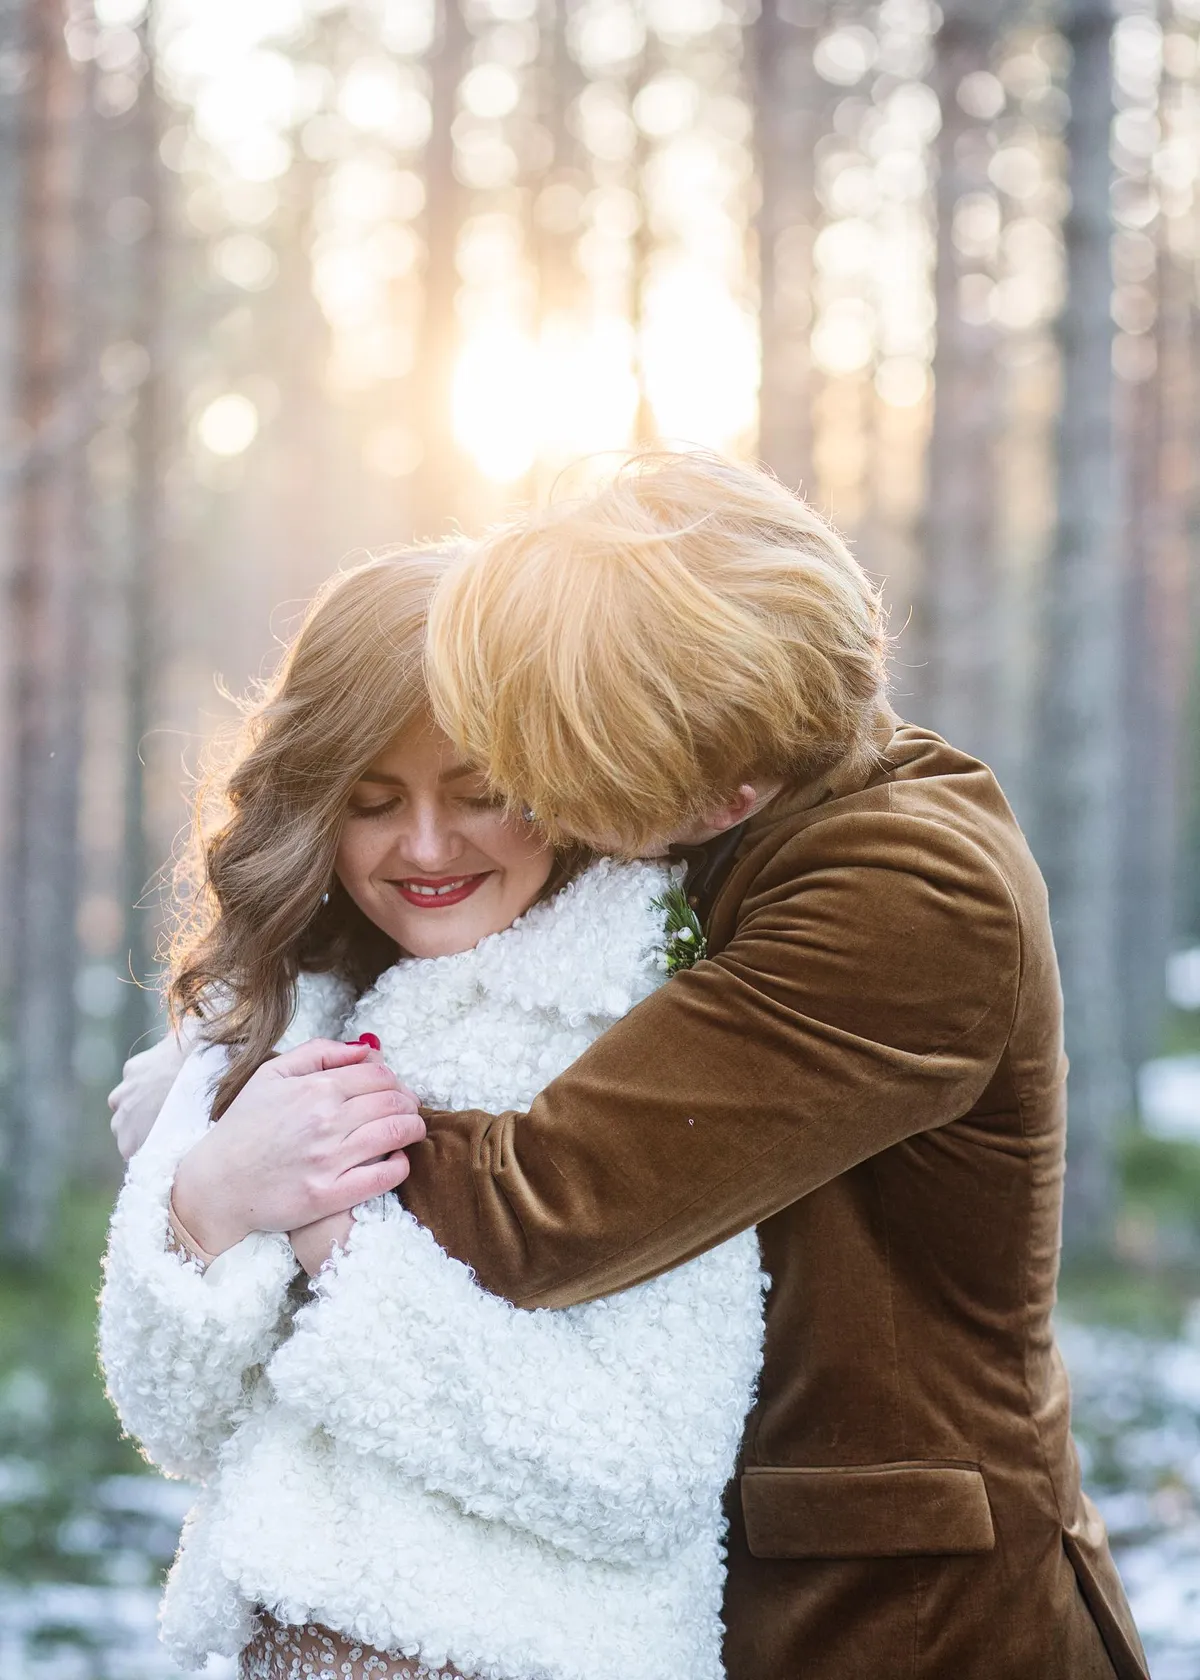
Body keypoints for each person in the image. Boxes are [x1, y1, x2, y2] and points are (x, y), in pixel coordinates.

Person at [110, 450, 1150, 1680]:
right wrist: (223, 1054)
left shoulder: (906, 888)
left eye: (514, 771)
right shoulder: (722, 823)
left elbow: (547, 1196)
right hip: (733, 1591)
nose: (703, 790)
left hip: (903, 1618)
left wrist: (224, 1140)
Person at [98, 548, 766, 1680]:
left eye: (481, 793)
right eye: (370, 802)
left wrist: (339, 1243)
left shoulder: (640, 1037)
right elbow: (177, 1426)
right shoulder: (280, 1021)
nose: (421, 846)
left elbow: (644, 1471)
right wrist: (208, 1202)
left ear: (568, 780)